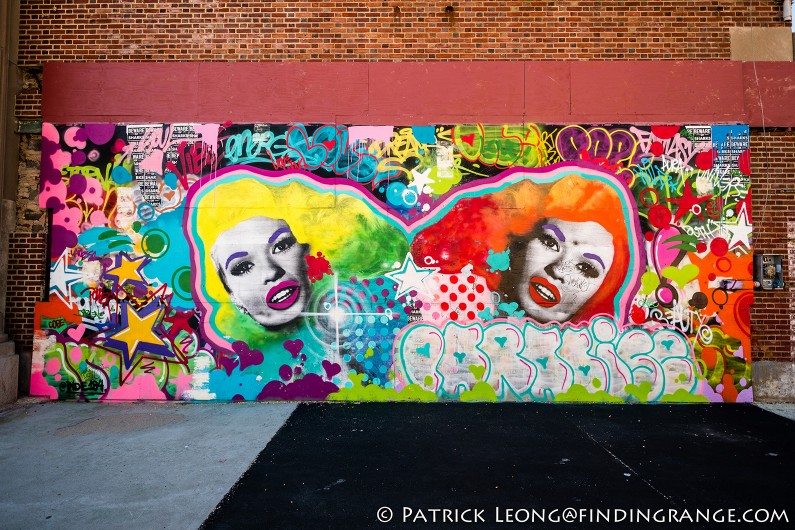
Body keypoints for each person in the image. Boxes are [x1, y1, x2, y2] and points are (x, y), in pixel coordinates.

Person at [411, 168, 642, 325]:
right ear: (519, 238)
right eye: (550, 242)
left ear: (605, 291)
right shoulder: (455, 305)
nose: (559, 270)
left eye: (586, 268)